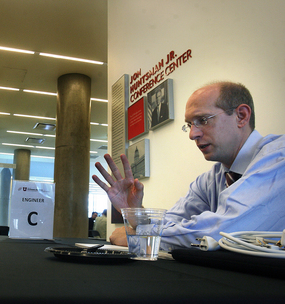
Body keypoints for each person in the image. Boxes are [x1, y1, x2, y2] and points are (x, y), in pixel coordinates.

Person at [93, 81, 285, 251]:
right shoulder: (212, 178)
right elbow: (172, 222)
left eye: (203, 120)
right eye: (190, 124)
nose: (192, 134)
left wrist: (136, 237)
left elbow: (223, 231)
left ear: (241, 116)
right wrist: (135, 213)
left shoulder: (279, 158)